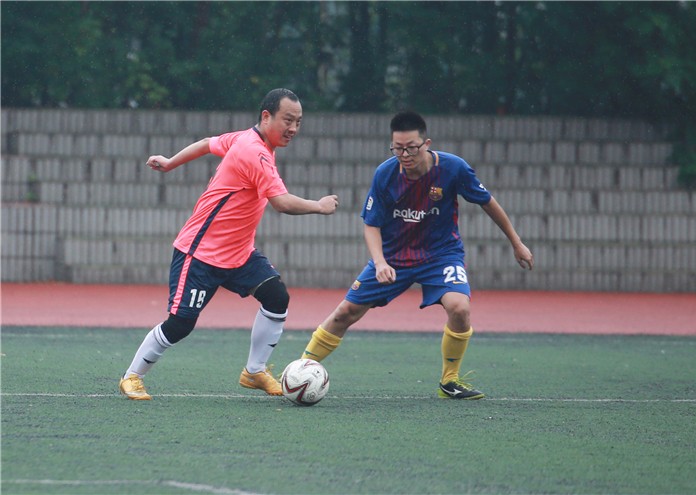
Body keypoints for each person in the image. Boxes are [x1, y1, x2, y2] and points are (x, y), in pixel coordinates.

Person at [119, 88, 339, 400]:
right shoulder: (255, 152)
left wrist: (170, 162)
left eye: (298, 122)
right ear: (266, 117)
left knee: (276, 297)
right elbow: (281, 202)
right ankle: (132, 376)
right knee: (180, 324)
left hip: (239, 254)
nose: (293, 128)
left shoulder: (246, 138)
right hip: (200, 253)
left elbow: (207, 143)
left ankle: (254, 371)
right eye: (288, 120)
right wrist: (319, 206)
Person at [300, 110, 533, 400]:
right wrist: (380, 262)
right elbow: (371, 224)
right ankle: (300, 371)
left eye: (411, 148)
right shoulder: (385, 174)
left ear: (426, 144)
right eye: (397, 148)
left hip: (441, 255)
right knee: (345, 312)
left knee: (459, 308)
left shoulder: (453, 168)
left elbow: (487, 202)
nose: (404, 155)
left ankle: (449, 380)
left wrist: (516, 242)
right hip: (394, 257)